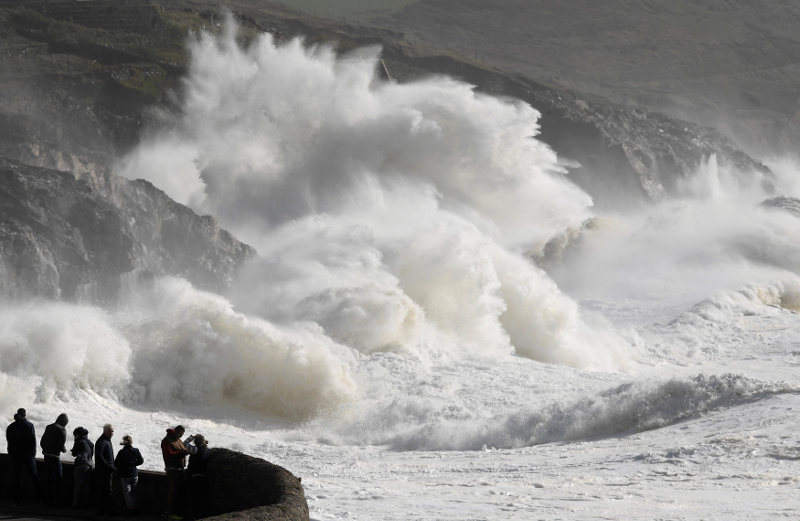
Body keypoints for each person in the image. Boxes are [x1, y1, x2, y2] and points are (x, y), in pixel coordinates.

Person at [5, 408, 45, 506]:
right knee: (34, 476)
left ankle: (16, 501)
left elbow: (9, 441)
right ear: (25, 415)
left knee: (16, 478)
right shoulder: (29, 425)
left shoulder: (11, 427)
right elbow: (32, 440)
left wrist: (11, 453)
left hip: (15, 455)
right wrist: (33, 453)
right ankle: (41, 499)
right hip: (28, 455)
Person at [40, 413, 69, 506]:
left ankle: (48, 500)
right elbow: (61, 445)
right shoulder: (62, 429)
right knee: (58, 479)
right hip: (55, 457)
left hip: (46, 456)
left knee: (48, 479)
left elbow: (42, 442)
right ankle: (57, 500)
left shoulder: (49, 427)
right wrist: (64, 449)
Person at [161, 425, 189, 520]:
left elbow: (183, 447)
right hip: (172, 470)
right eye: (180, 434)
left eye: (182, 435)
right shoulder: (166, 441)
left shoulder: (178, 440)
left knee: (177, 492)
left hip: (179, 470)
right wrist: (182, 453)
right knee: (173, 492)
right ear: (176, 432)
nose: (181, 436)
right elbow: (168, 454)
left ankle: (174, 512)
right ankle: (170, 513)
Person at [114, 435, 144, 516]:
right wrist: (133, 464)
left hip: (125, 475)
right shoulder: (136, 450)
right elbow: (141, 461)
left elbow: (116, 463)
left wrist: (123, 467)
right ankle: (136, 507)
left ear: (124, 442)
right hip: (134, 474)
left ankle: (131, 509)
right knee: (134, 492)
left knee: (127, 493)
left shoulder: (122, 452)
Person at [183, 434, 210, 520]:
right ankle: (198, 516)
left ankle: (192, 516)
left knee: (192, 498)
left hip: (194, 476)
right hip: (203, 476)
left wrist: (192, 436)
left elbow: (184, 443)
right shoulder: (207, 450)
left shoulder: (195, 450)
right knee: (200, 498)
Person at [94, 424, 116, 516]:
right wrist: (109, 467)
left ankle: (102, 511)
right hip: (104, 471)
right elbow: (99, 456)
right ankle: (109, 511)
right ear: (105, 431)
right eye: (110, 431)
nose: (112, 433)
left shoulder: (106, 440)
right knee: (106, 491)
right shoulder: (102, 441)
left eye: (112, 431)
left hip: (106, 470)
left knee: (104, 491)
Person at [70, 426, 94, 509]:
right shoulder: (90, 443)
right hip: (90, 465)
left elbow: (74, 453)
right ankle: (86, 504)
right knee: (87, 486)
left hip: (81, 465)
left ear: (77, 434)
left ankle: (76, 505)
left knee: (78, 486)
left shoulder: (79, 441)